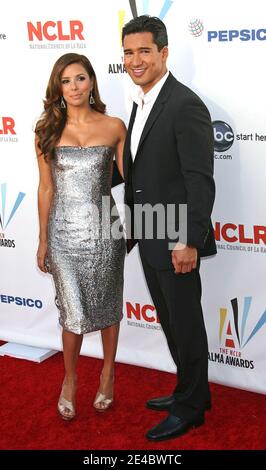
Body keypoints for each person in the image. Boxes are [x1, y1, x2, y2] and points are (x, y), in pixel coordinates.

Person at [122, 16, 216, 441]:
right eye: (128, 52)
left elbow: (199, 180)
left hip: (175, 237)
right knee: (170, 321)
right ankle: (188, 389)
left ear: (163, 53)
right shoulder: (141, 102)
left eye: (144, 51)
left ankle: (192, 407)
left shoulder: (184, 104)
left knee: (186, 322)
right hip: (149, 231)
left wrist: (187, 241)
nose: (135, 60)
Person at [35, 53, 126, 420]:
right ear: (58, 87)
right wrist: (42, 239)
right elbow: (45, 189)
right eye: (66, 80)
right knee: (71, 315)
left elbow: (135, 182)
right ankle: (69, 380)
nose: (74, 87)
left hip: (107, 233)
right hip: (63, 235)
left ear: (92, 83)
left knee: (108, 307)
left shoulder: (114, 126)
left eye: (80, 78)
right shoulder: (47, 130)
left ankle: (108, 373)